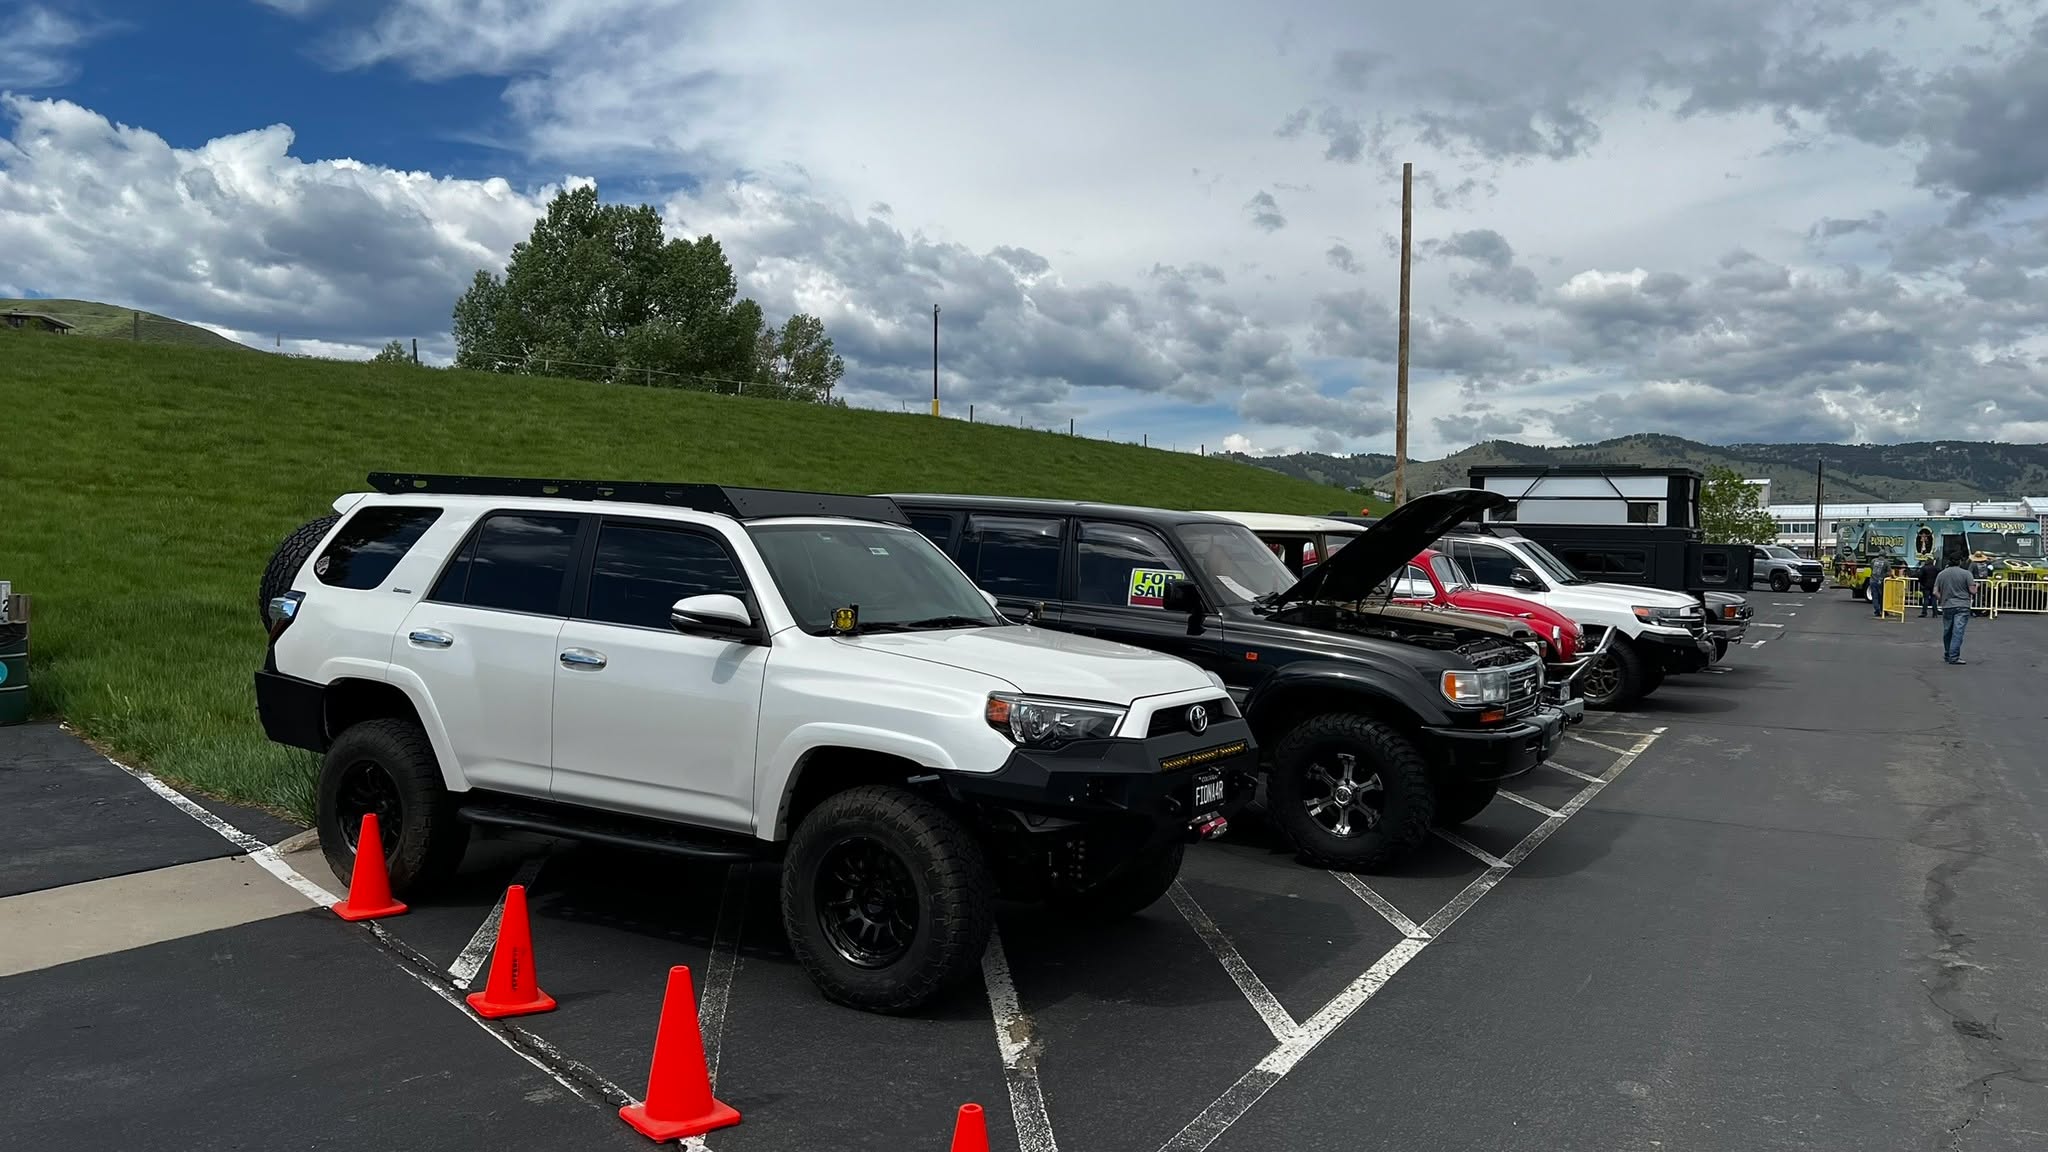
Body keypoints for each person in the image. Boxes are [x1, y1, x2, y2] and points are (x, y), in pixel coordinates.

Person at [1935, 553, 1976, 665]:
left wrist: (1943, 599)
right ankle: (1954, 656)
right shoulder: (1967, 574)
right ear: (1960, 561)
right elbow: (1972, 591)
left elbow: (1935, 592)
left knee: (1947, 631)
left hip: (1947, 605)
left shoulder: (1941, 574)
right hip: (1962, 605)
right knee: (1958, 631)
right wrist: (1976, 587)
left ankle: (1948, 653)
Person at [1869, 552, 1891, 617]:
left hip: (1872, 581)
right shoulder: (1886, 562)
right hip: (1881, 582)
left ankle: (1877, 611)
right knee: (1882, 597)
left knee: (1875, 597)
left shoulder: (1873, 561)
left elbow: (1871, 568)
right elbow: (1889, 572)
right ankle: (1883, 610)